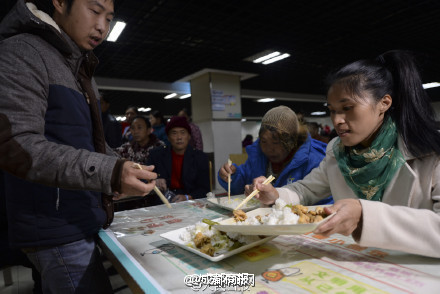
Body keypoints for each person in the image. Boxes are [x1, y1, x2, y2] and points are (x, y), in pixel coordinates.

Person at [0, 0, 157, 293]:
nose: (102, 27)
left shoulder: (78, 67)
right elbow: (16, 144)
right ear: (60, 3)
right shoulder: (23, 51)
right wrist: (109, 171)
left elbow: (85, 142)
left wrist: (121, 166)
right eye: (94, 11)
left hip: (80, 216)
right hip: (54, 225)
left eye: (109, 18)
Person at [253, 50, 440, 258]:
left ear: (384, 104)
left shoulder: (430, 151)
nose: (337, 120)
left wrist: (365, 216)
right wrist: (276, 194)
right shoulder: (337, 150)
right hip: (355, 263)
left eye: (347, 108)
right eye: (332, 110)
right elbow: (306, 189)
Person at [218, 106, 333, 205]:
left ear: (292, 141)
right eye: (263, 141)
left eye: (276, 142)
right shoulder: (258, 155)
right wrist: (231, 176)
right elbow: (241, 184)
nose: (269, 148)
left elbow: (323, 203)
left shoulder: (314, 159)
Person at [147, 116, 210, 205]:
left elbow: (205, 189)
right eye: (174, 133)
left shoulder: (200, 157)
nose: (179, 137)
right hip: (162, 203)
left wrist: (188, 197)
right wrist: (155, 180)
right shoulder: (157, 154)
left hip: (190, 203)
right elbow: (144, 178)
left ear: (189, 136)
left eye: (183, 133)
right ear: (168, 137)